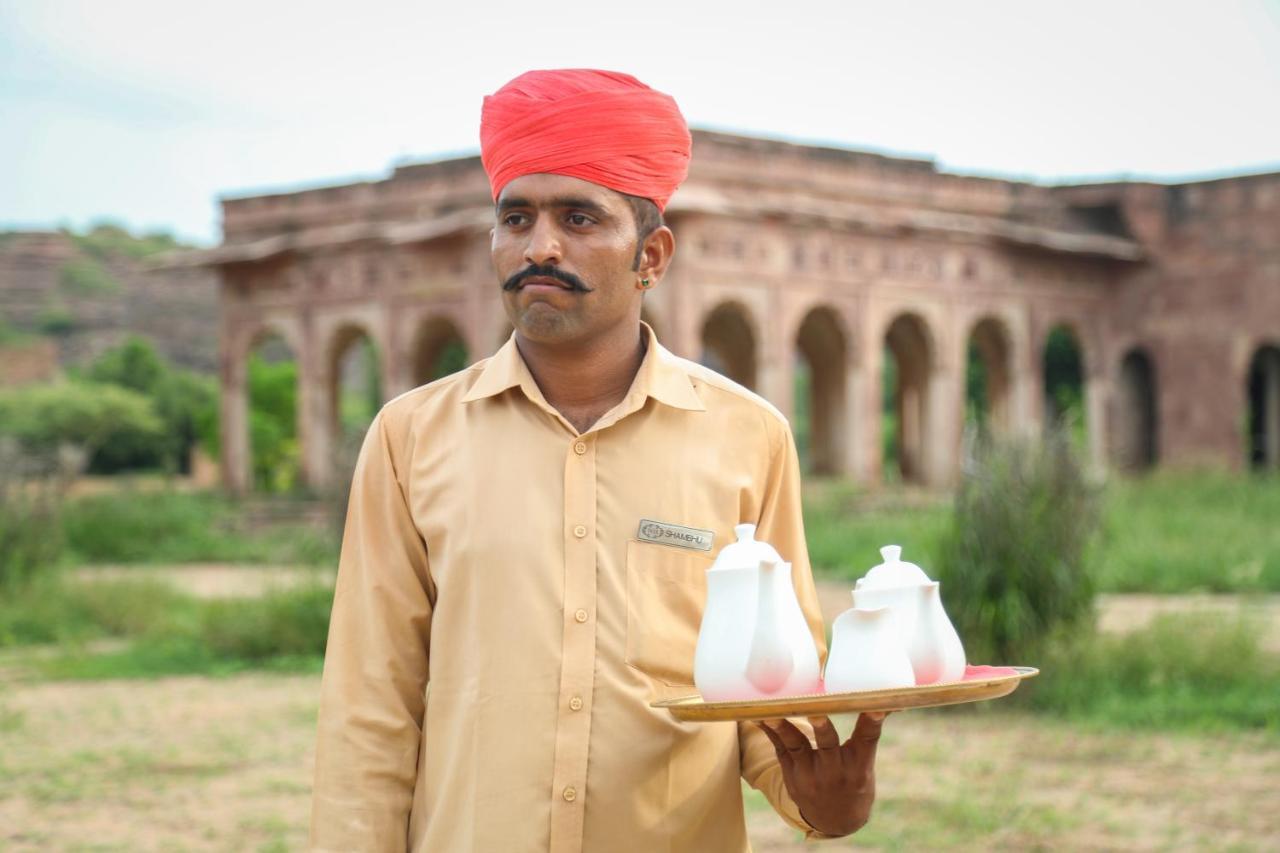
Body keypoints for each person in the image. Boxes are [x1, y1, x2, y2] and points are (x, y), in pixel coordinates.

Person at [309, 68, 885, 853]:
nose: (539, 246)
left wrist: (819, 800)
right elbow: (369, 711)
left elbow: (769, 692)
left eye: (579, 218)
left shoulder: (749, 437)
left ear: (652, 254)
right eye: (516, 218)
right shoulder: (411, 438)